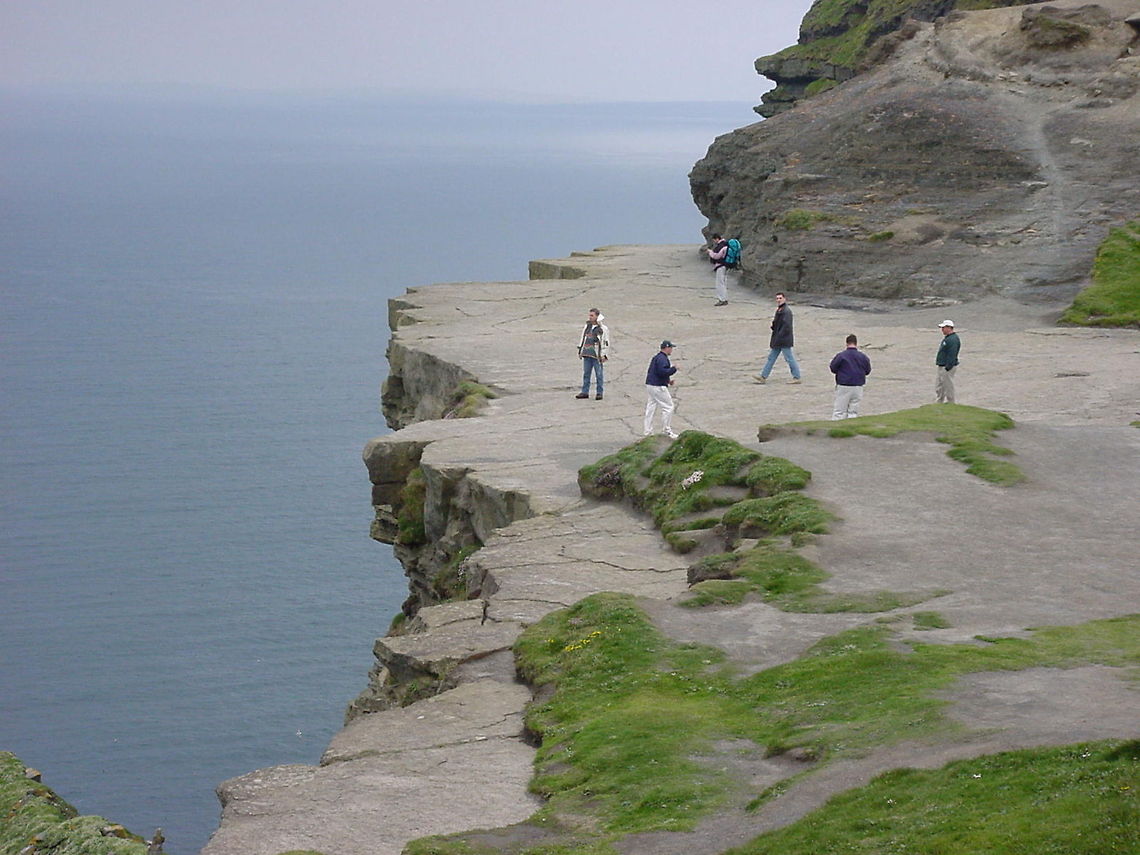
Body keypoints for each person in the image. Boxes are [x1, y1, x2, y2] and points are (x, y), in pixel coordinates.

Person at [755, 292, 802, 384]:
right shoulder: (780, 310)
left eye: (780, 298)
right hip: (779, 339)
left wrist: (779, 335)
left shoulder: (786, 311)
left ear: (784, 299)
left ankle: (797, 377)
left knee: (789, 358)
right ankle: (763, 376)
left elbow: (786, 326)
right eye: (777, 298)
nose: (778, 300)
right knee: (771, 358)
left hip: (783, 340)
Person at [829, 334, 872, 419]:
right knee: (853, 411)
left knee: (839, 410)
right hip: (858, 385)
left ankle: (837, 427)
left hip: (844, 384)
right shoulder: (863, 357)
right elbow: (868, 370)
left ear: (846, 343)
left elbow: (833, 368)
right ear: (856, 343)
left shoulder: (841, 356)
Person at [645, 340, 679, 439]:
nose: (671, 350)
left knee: (651, 407)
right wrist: (674, 369)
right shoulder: (663, 359)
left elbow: (655, 371)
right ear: (666, 348)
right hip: (658, 386)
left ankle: (647, 431)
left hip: (650, 384)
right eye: (671, 348)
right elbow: (662, 372)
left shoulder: (657, 357)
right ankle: (666, 430)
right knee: (668, 407)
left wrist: (668, 381)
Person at [575, 308, 610, 400]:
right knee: (586, 373)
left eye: (592, 315)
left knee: (599, 374)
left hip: (597, 355)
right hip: (587, 353)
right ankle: (585, 392)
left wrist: (604, 354)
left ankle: (599, 392)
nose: (590, 317)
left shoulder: (603, 329)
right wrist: (580, 350)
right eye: (589, 315)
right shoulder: (587, 327)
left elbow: (606, 342)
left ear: (597, 316)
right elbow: (583, 338)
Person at [935, 319, 960, 403]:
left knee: (948, 385)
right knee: (940, 385)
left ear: (949, 328)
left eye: (943, 328)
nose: (942, 330)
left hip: (947, 366)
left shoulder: (952, 340)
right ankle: (939, 400)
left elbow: (952, 354)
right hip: (942, 365)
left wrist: (948, 367)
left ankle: (951, 401)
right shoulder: (948, 338)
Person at [705, 234, 730, 306]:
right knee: (723, 282)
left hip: (721, 266)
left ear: (716, 239)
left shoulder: (721, 246)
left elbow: (716, 256)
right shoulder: (726, 245)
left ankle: (722, 299)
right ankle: (725, 299)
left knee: (719, 283)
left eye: (714, 240)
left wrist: (710, 252)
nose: (714, 242)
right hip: (726, 266)